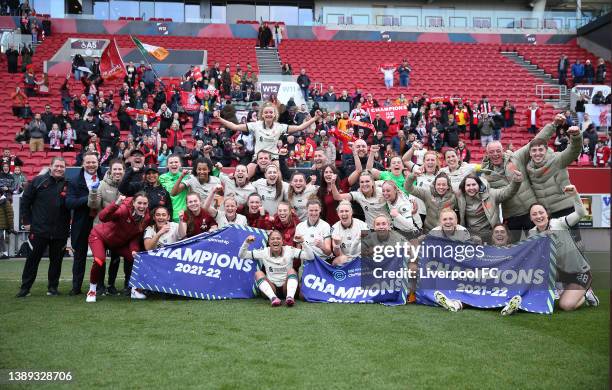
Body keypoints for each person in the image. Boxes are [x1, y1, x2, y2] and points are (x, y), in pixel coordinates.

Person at [528, 185, 599, 311]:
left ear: (547, 214)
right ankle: (560, 288)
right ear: (531, 218)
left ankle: (586, 293)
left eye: (541, 212)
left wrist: (575, 195)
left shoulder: (559, 223)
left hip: (579, 272)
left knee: (565, 306)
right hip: (560, 275)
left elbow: (581, 213)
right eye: (534, 214)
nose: (538, 216)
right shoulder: (532, 233)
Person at [214, 103, 322, 176]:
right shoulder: (255, 125)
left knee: (278, 179)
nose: (268, 114)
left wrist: (315, 118)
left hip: (273, 159)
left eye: (271, 112)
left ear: (275, 114)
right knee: (244, 176)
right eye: (266, 112)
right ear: (262, 114)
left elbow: (299, 127)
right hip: (257, 158)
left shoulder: (280, 127)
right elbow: (235, 127)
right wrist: (219, 118)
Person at [16, 158, 70, 297]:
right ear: (50, 166)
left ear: (65, 169)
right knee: (32, 260)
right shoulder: (38, 181)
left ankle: (52, 288)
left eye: (62, 167)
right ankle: (25, 288)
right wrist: (26, 221)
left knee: (56, 261)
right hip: (39, 229)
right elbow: (25, 202)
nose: (59, 169)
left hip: (60, 231)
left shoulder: (68, 184)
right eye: (56, 166)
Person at [85, 194, 151, 303]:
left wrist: (134, 250)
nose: (142, 206)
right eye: (139, 203)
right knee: (99, 260)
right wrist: (115, 204)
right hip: (100, 236)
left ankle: (135, 290)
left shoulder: (147, 217)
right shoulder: (123, 210)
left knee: (137, 258)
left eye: (145, 203)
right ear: (133, 203)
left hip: (118, 243)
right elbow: (102, 217)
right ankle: (92, 290)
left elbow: (135, 236)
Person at [239, 230, 313, 307]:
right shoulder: (264, 251)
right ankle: (273, 298)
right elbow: (242, 255)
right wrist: (246, 242)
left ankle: (290, 297)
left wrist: (303, 242)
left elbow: (310, 257)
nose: (275, 241)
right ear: (269, 241)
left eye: (278, 238)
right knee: (258, 273)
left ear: (282, 241)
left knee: (292, 271)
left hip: (286, 287)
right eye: (272, 239)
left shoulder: (290, 250)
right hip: (272, 288)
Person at [66, 152, 102, 296]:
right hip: (81, 223)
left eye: (93, 162)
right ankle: (76, 287)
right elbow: (69, 203)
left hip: (99, 222)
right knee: (79, 257)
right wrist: (89, 198)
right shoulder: (74, 181)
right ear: (83, 164)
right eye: (88, 162)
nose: (91, 165)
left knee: (99, 256)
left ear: (98, 163)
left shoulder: (105, 176)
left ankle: (99, 286)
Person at [456, 172, 522, 242]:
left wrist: (516, 182)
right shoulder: (460, 198)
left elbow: (507, 192)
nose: (471, 188)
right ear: (464, 187)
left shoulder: (491, 194)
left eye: (474, 184)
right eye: (468, 185)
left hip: (491, 233)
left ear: (479, 185)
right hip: (471, 235)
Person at [330, 200, 368, 266]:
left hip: (361, 256)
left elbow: (368, 246)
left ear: (351, 212)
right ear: (338, 213)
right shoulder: (334, 228)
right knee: (335, 262)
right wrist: (337, 245)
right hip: (345, 257)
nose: (344, 214)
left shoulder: (362, 225)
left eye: (346, 211)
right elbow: (338, 254)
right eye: (341, 211)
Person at [159, 154, 186, 222]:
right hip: (169, 214)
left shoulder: (187, 176)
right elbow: (171, 191)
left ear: (180, 164)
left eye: (176, 162)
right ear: (167, 165)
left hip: (184, 214)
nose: (174, 164)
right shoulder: (162, 177)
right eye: (171, 162)